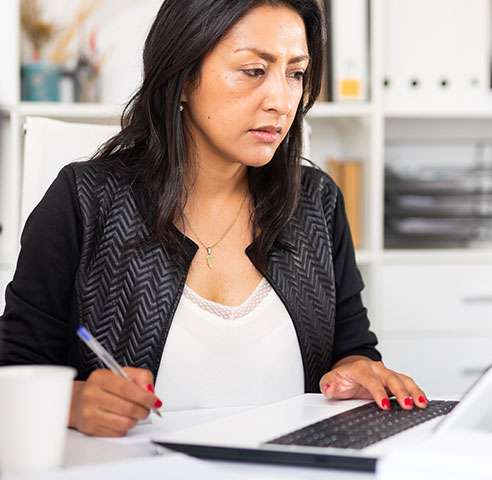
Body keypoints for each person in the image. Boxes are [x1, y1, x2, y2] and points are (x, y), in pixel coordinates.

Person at [0, 0, 426, 437]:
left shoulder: (317, 204)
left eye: (295, 73)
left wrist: (358, 370)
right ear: (183, 76)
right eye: (253, 71)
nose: (282, 100)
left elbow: (352, 351)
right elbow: (12, 370)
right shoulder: (84, 202)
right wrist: (73, 403)